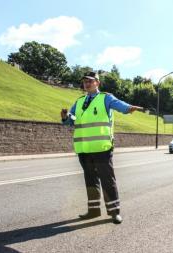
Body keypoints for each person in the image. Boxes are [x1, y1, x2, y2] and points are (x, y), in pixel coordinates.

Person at [61, 71, 143, 224]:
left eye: (90, 81)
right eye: (85, 81)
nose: (87, 84)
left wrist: (129, 108)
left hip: (102, 148)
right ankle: (93, 211)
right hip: (84, 149)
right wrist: (66, 117)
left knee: (107, 180)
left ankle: (114, 212)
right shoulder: (79, 102)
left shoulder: (106, 98)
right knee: (90, 181)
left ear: (97, 83)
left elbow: (120, 106)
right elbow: (72, 121)